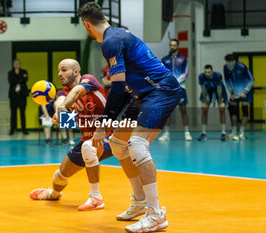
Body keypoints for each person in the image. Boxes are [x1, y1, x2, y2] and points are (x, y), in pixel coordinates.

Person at [79, 3, 182, 232]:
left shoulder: (111, 41)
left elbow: (116, 88)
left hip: (160, 91)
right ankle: (140, 201)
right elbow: (124, 87)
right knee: (117, 144)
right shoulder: (117, 35)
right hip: (141, 96)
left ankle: (155, 215)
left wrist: (102, 124)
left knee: (137, 144)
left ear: (87, 25)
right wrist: (110, 124)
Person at [30, 59, 113, 211]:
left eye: (63, 70)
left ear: (76, 71)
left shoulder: (89, 80)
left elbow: (75, 93)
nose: (59, 74)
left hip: (109, 136)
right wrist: (57, 112)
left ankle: (96, 197)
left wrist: (62, 107)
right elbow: (61, 100)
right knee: (59, 175)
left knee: (89, 147)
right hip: (87, 138)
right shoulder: (64, 93)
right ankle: (53, 194)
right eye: (58, 71)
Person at [158, 39, 192, 141]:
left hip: (180, 88)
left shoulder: (183, 59)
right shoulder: (164, 59)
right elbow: (161, 73)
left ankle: (187, 133)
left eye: (174, 45)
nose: (172, 47)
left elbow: (185, 73)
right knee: (167, 112)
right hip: (168, 90)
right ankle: (166, 134)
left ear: (178, 46)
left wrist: (176, 82)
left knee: (183, 110)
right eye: (171, 45)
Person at [224, 54, 254, 141]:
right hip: (234, 92)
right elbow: (227, 80)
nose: (227, 64)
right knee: (232, 110)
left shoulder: (242, 66)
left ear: (233, 61)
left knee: (244, 110)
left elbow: (251, 79)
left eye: (229, 62)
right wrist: (231, 92)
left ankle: (242, 132)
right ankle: (234, 131)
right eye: (226, 62)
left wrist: (245, 91)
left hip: (245, 91)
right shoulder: (225, 67)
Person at [197, 65, 228, 141]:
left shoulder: (218, 76)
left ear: (212, 71)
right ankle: (203, 133)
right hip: (208, 91)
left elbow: (219, 89)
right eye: (205, 72)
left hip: (219, 91)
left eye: (209, 72)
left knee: (222, 109)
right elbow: (203, 89)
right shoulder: (201, 76)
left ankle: (223, 132)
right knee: (204, 109)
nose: (207, 74)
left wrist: (220, 102)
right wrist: (204, 102)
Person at [8, 59, 29, 135]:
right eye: (15, 63)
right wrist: (21, 79)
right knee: (13, 113)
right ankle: (12, 129)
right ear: (13, 64)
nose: (16, 64)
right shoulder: (10, 73)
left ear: (20, 64)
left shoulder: (24, 71)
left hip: (22, 95)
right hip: (13, 96)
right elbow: (11, 82)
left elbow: (26, 80)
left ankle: (24, 129)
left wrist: (19, 79)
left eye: (18, 63)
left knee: (22, 113)